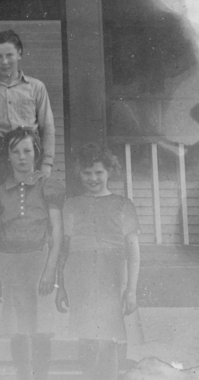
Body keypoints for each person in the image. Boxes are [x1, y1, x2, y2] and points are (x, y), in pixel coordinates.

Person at [56, 144, 141, 380]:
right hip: (80, 277)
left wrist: (131, 290)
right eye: (87, 172)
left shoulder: (124, 205)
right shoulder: (71, 205)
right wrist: (61, 286)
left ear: (109, 172)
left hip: (111, 277)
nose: (93, 178)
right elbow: (64, 251)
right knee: (87, 339)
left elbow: (133, 253)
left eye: (99, 172)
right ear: (78, 173)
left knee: (108, 340)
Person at [0, 127, 65, 380]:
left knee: (41, 328)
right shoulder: (1, 190)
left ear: (36, 153)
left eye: (27, 151)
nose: (22, 157)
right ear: (8, 156)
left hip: (39, 261)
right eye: (16, 152)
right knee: (17, 329)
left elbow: (57, 230)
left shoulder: (46, 185)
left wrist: (50, 269)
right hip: (10, 265)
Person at [0, 30, 56, 200]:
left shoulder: (36, 87)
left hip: (27, 156)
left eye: (9, 55)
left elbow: (48, 128)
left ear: (20, 54)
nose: (5, 61)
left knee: (29, 205)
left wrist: (46, 164)